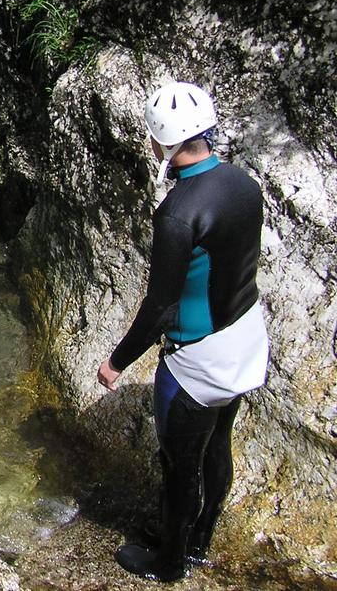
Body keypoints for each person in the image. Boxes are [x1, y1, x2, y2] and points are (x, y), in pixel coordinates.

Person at [96, 82, 269, 583]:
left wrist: (116, 362)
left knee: (178, 466)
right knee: (219, 445)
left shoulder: (176, 213)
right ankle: (199, 540)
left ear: (163, 144)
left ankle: (170, 563)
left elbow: (161, 307)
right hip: (245, 338)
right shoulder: (243, 182)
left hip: (197, 362)